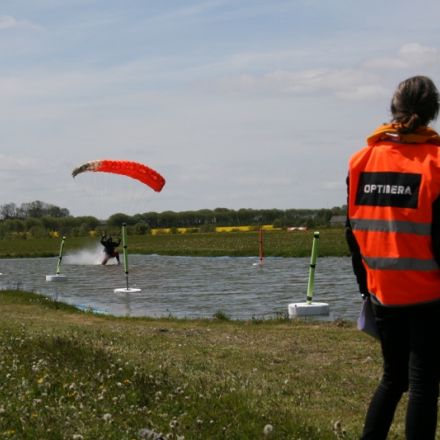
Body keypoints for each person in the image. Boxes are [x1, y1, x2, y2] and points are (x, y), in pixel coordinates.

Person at [346, 75, 440, 440]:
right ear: (432, 113)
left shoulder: (361, 160)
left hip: (382, 291)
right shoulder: (435, 163)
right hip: (431, 294)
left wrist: (365, 287)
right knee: (423, 386)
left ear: (393, 109)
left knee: (392, 379)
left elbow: (352, 234)